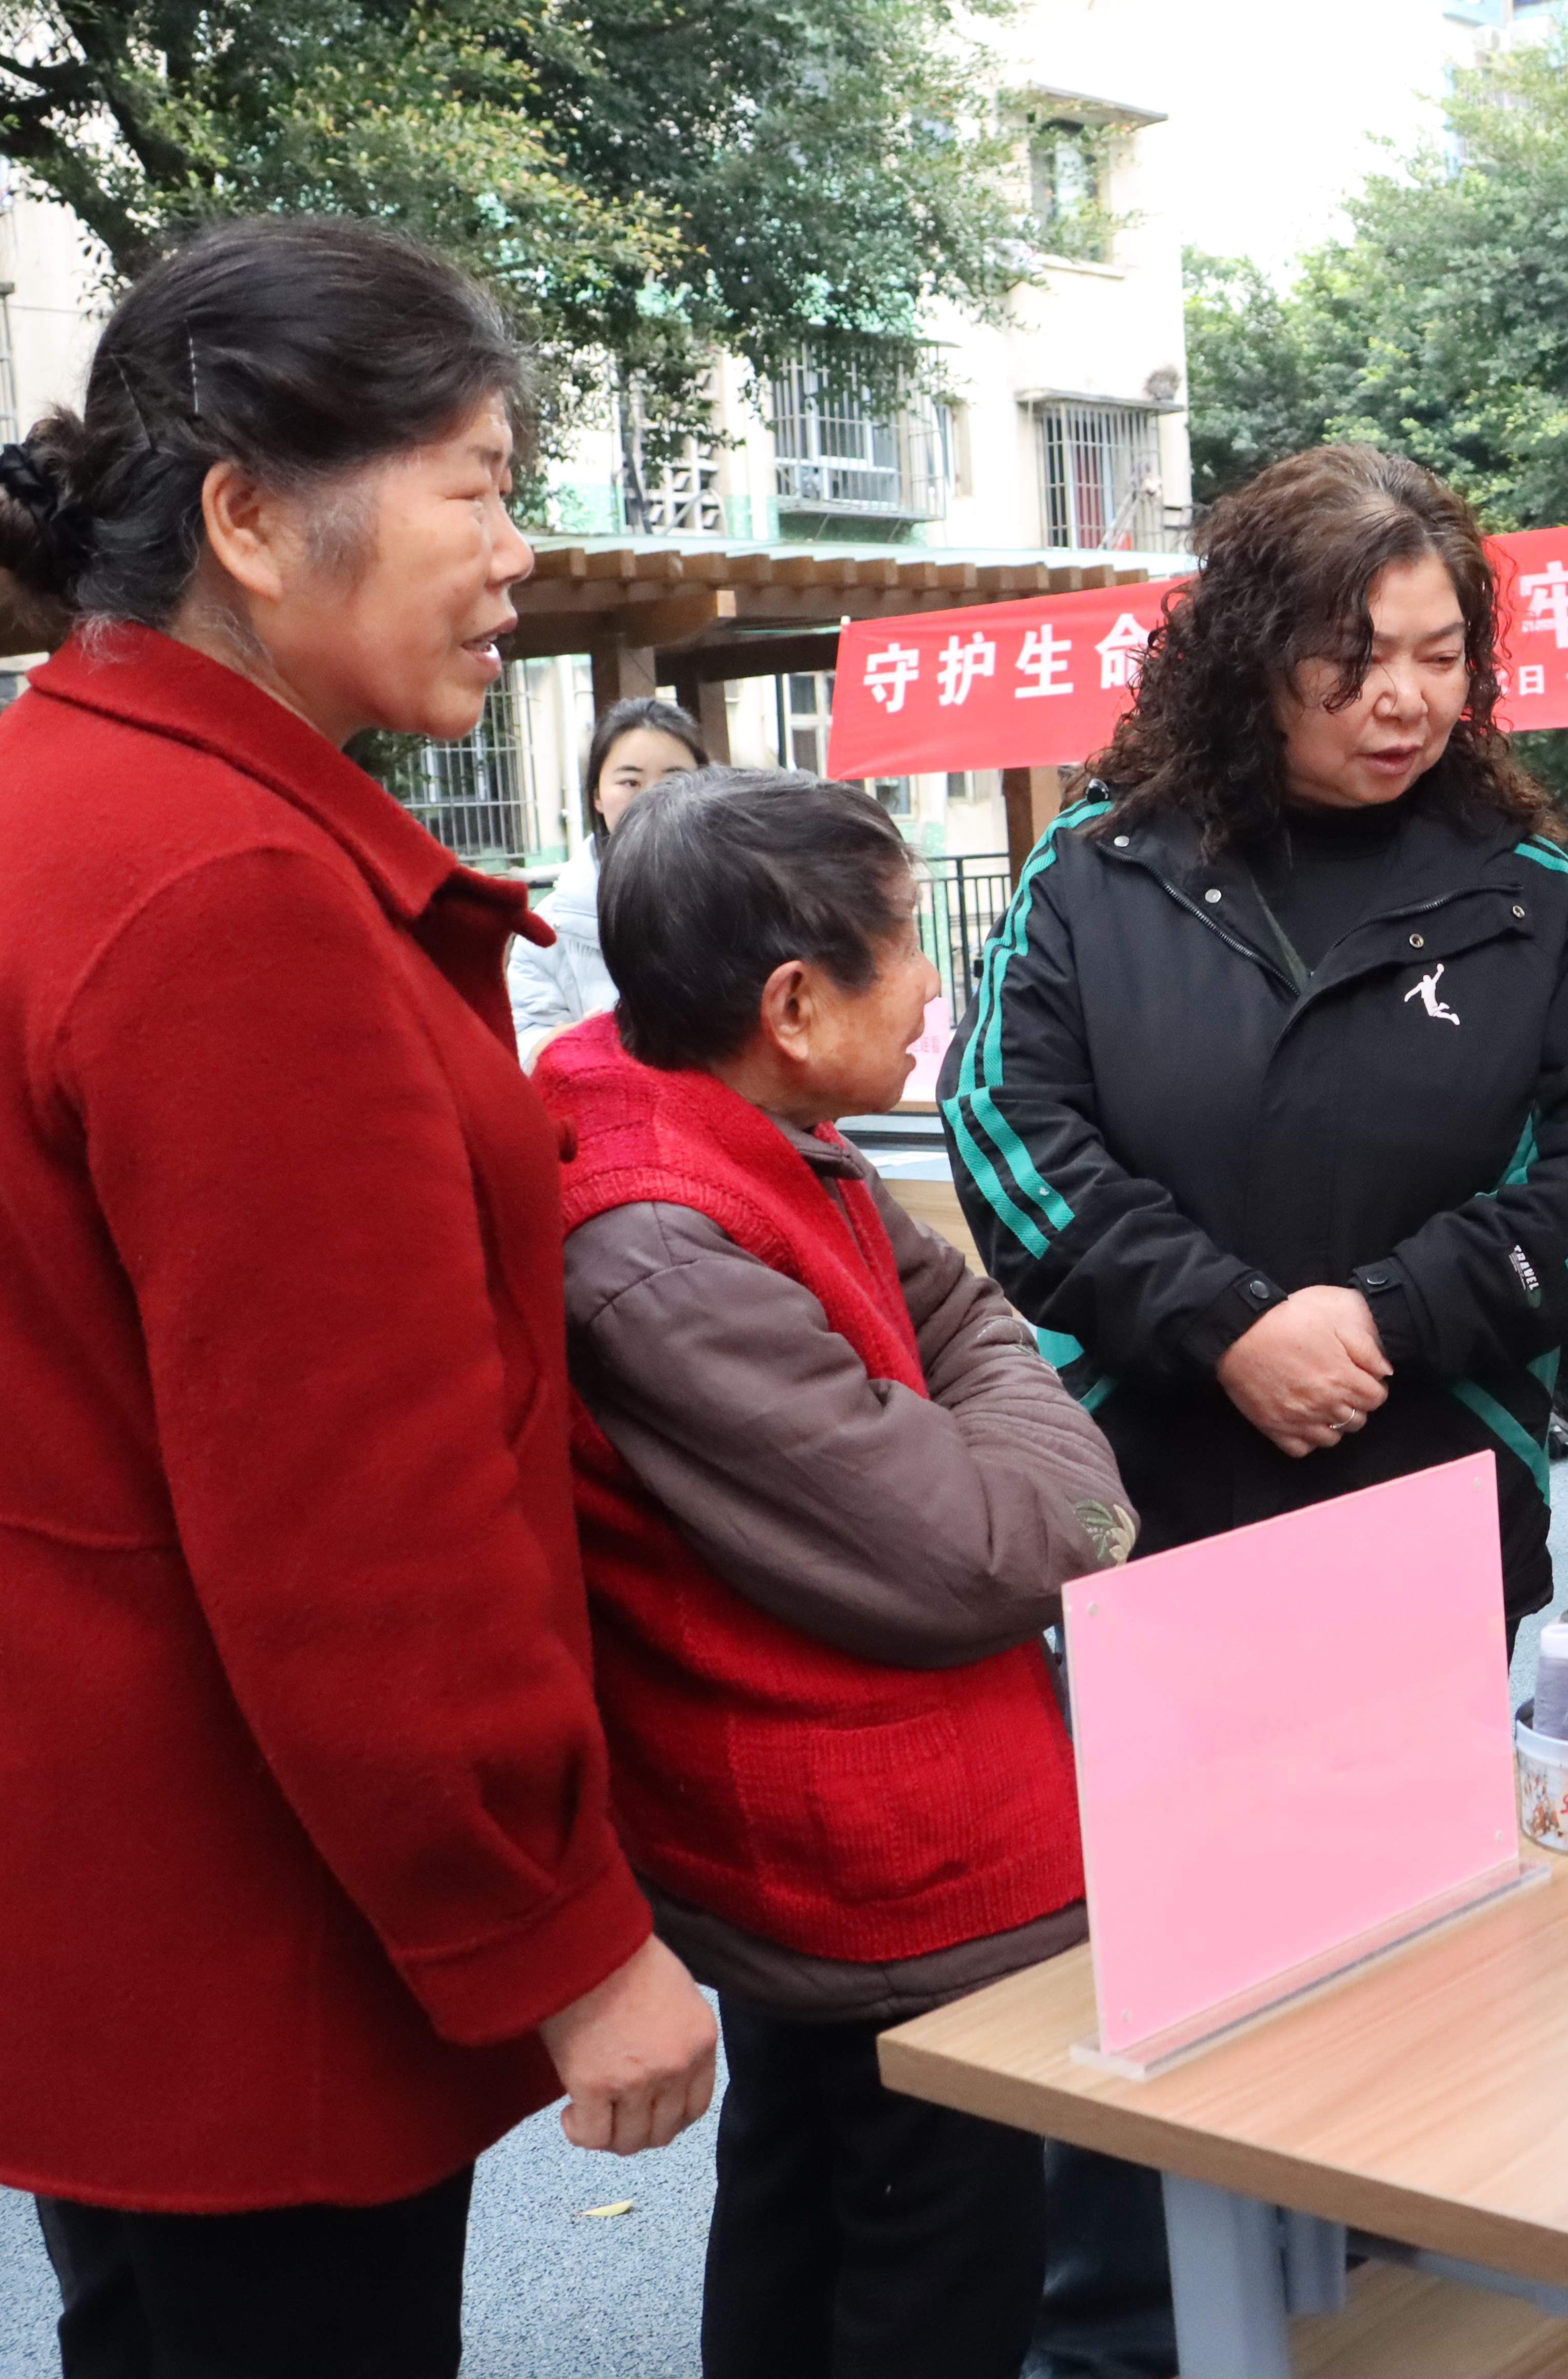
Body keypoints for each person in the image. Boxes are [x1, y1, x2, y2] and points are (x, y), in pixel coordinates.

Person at [0, 216, 717, 2376]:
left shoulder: (65, 803)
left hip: (110, 1888)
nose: (517, 544)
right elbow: (352, 1525)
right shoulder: (231, 892)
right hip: (265, 1916)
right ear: (248, 516)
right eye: (477, 480)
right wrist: (564, 1930)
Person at [537, 766, 1135, 2379]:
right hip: (881, 1865)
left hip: (859, 1840)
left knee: (811, 2222)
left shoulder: (743, 1138)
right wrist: (1059, 1467)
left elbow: (959, 1314)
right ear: (795, 1004)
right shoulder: (660, 1240)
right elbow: (997, 1545)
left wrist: (986, 1408)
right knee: (923, 2276)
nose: (937, 980)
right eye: (904, 946)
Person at [941, 442, 1568, 1634]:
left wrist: (1392, 1311)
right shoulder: (1096, 872)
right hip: (1152, 1506)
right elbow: (1005, 1129)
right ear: (1252, 656)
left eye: (1442, 657)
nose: (1408, 697)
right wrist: (1225, 1320)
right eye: (1357, 655)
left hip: (1433, 1503)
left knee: (1432, 1826)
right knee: (1167, 1822)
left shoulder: (1533, 901)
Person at [509, 694, 707, 1062]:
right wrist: (573, 1045)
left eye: (674, 779)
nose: (652, 798)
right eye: (630, 782)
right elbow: (521, 1044)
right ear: (597, 796)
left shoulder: (747, 901)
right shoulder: (550, 927)